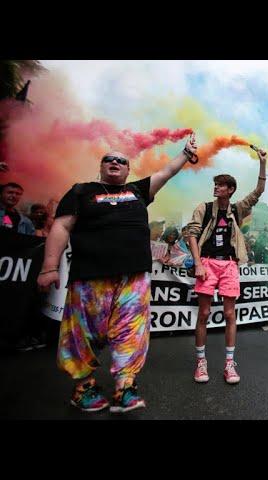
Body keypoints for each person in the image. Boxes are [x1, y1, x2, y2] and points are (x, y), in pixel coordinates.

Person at [37, 135, 199, 413]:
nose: (114, 162)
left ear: (127, 169)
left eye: (120, 161)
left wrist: (186, 152)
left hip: (133, 279)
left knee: (131, 332)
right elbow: (61, 228)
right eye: (108, 159)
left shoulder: (138, 191)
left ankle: (125, 386)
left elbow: (167, 172)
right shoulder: (81, 191)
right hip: (89, 279)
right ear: (101, 167)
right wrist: (49, 267)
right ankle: (83, 388)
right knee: (82, 333)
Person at [186, 149, 268, 385]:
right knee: (203, 313)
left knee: (230, 314)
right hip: (208, 264)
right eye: (216, 184)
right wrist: (199, 263)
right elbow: (192, 234)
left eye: (221, 185)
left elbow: (258, 192)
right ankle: (201, 362)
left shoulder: (236, 209)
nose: (216, 188)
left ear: (230, 189)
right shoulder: (204, 208)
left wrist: (263, 163)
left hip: (230, 265)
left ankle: (229, 364)